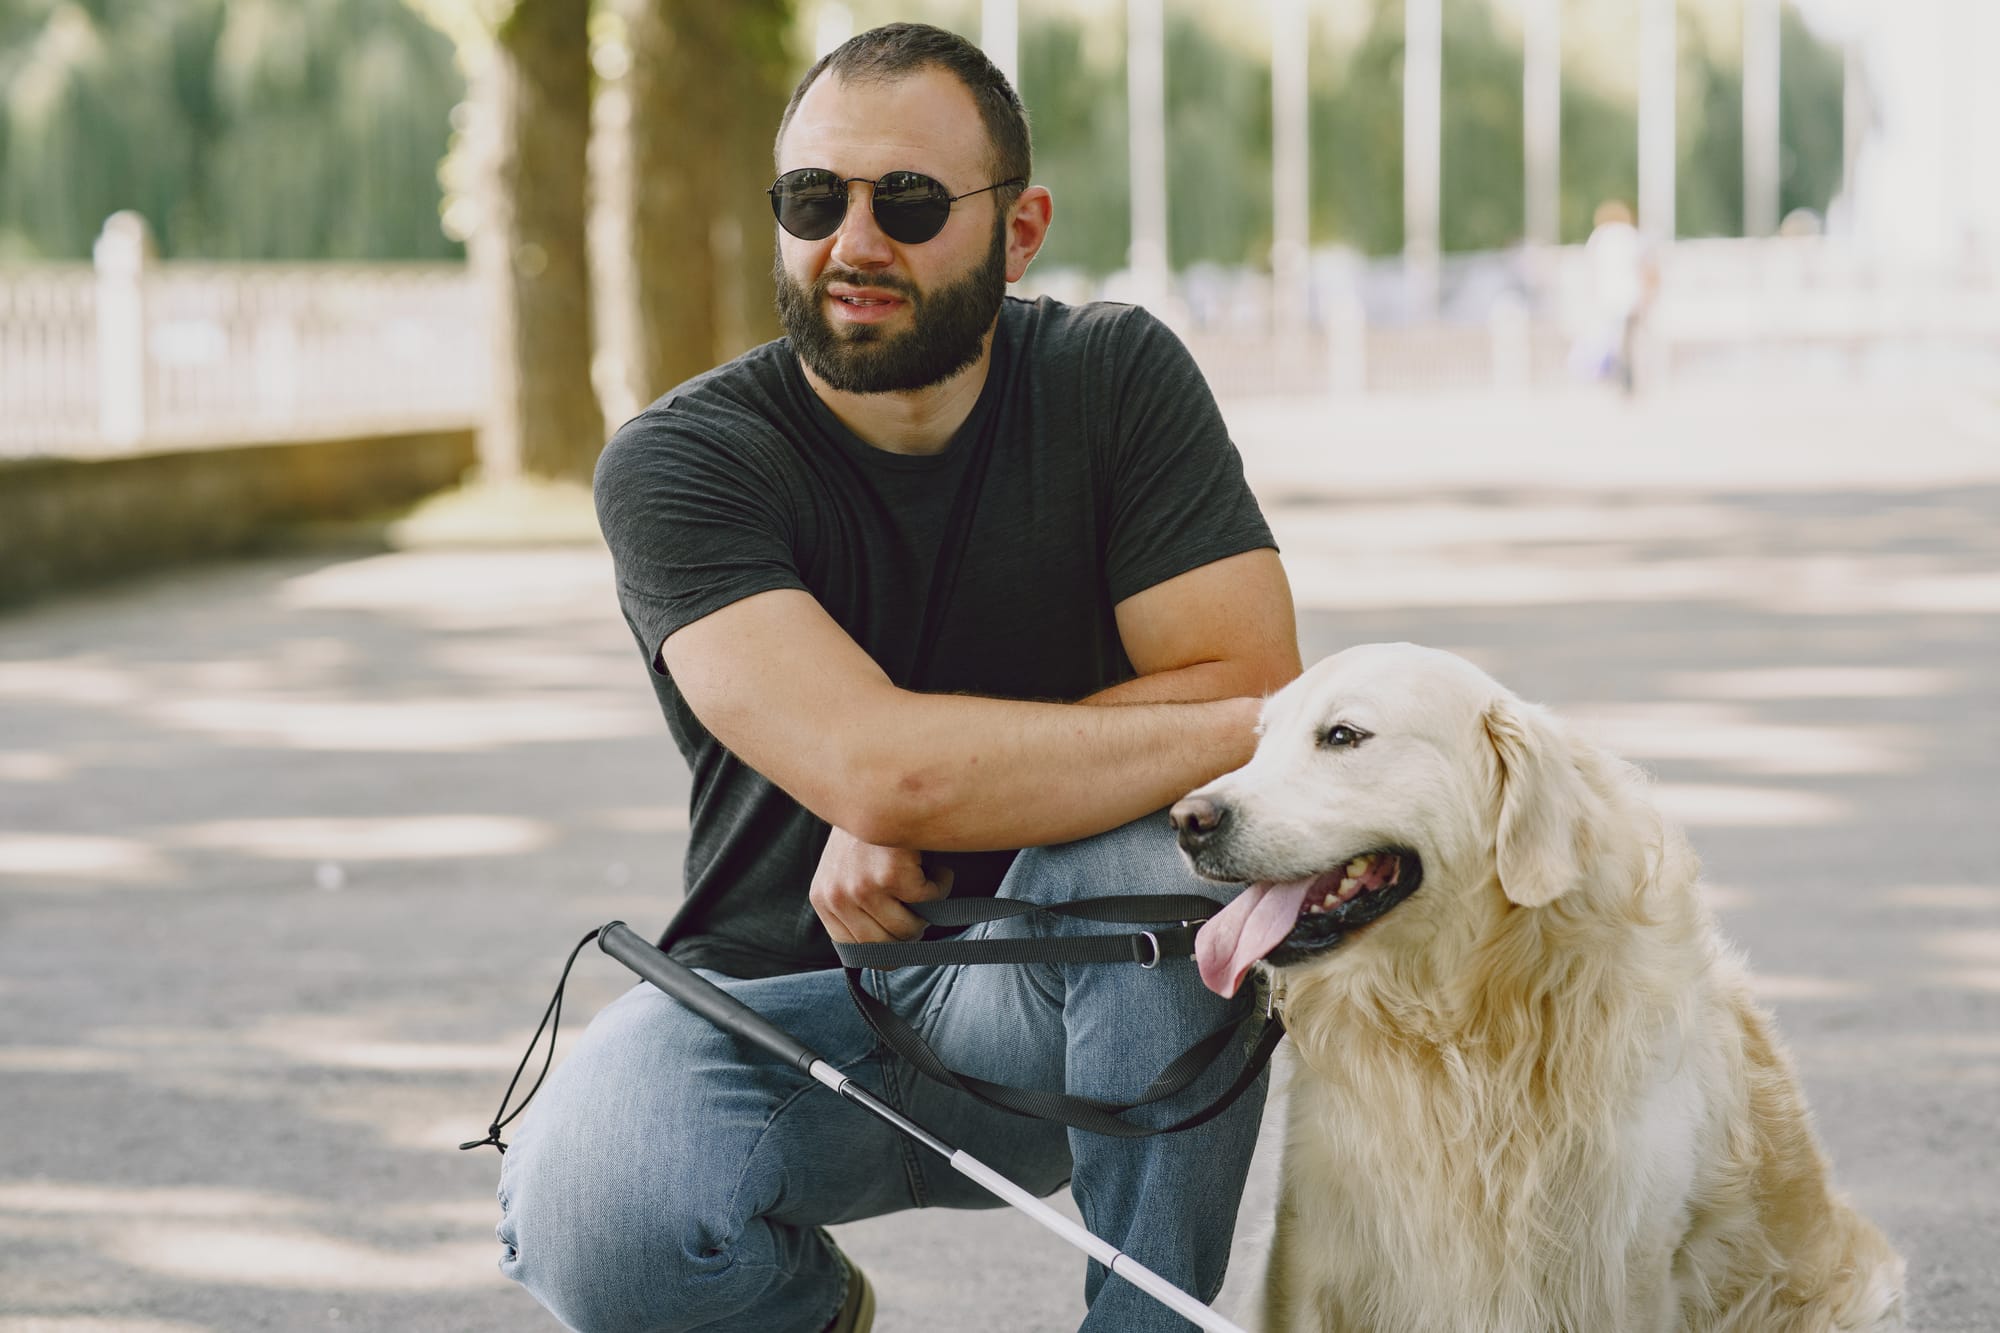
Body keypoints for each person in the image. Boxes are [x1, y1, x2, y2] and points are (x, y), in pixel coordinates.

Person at [494, 23, 1300, 1332]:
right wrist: (891, 783)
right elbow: (889, 762)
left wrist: (913, 793)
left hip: (1069, 978)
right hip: (787, 997)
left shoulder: (1114, 379)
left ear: (1019, 230)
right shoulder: (683, 460)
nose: (852, 242)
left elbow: (1254, 688)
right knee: (593, 1200)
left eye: (909, 203)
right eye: (815, 199)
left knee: (1170, 854)